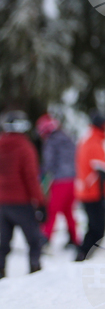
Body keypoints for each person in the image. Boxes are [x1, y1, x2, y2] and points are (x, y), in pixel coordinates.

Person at [0, 111, 45, 278]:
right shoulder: (25, 147)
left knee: (3, 242)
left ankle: (1, 272)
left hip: (2, 203)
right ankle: (35, 271)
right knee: (34, 240)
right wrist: (40, 202)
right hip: (21, 202)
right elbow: (31, 178)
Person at [75, 110, 105, 261]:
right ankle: (82, 256)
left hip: (88, 191)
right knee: (97, 230)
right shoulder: (94, 142)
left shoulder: (91, 139)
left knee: (94, 228)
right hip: (93, 193)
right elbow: (101, 169)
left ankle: (83, 256)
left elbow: (103, 165)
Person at [36, 113, 79, 250]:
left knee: (52, 210)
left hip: (60, 181)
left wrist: (40, 175)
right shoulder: (67, 137)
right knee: (68, 211)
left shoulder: (52, 141)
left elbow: (49, 163)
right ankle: (74, 238)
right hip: (72, 180)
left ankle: (45, 239)